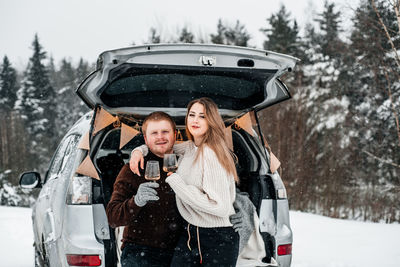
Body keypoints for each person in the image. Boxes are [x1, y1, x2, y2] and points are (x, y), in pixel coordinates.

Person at [130, 97, 240, 266]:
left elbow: (221, 207)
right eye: (192, 114)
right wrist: (138, 151)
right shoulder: (190, 147)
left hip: (216, 237)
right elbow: (163, 147)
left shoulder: (211, 153)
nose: (195, 120)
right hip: (190, 232)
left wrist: (176, 182)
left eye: (202, 116)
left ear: (212, 120)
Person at [106, 112, 183, 267]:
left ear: (175, 135)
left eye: (165, 132)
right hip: (140, 251)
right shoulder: (133, 169)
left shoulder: (187, 164)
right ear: (146, 139)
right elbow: (113, 217)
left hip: (181, 252)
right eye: (154, 133)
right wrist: (137, 201)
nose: (160, 137)